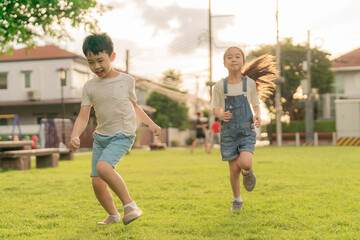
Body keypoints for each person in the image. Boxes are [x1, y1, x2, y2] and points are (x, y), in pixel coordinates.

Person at [69, 33, 161, 225]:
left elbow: (134, 107)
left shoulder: (127, 80)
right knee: (97, 182)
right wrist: (74, 135)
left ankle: (130, 206)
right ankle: (113, 215)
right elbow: (84, 115)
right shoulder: (89, 87)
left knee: (103, 168)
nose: (96, 67)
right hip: (101, 137)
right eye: (91, 62)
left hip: (123, 134)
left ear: (112, 57)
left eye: (100, 60)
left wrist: (150, 124)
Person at [211, 46, 277, 211]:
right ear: (224, 63)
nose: (234, 59)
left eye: (237, 56)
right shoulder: (219, 86)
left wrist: (257, 115)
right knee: (234, 168)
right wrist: (220, 115)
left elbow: (256, 104)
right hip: (228, 132)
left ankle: (248, 173)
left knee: (245, 163)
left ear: (243, 61)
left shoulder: (250, 84)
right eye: (230, 57)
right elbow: (214, 108)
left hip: (246, 130)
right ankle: (237, 200)